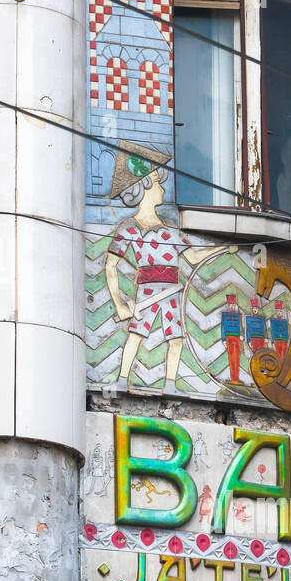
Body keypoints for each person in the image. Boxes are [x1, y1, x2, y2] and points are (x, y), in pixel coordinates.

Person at [103, 140, 222, 392]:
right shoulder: (129, 228)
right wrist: (120, 304)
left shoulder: (170, 230)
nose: (162, 188)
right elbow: (110, 265)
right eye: (157, 182)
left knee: (176, 340)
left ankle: (170, 385)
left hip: (171, 292)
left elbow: (192, 257)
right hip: (146, 290)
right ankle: (123, 380)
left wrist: (222, 249)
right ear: (143, 187)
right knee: (135, 336)